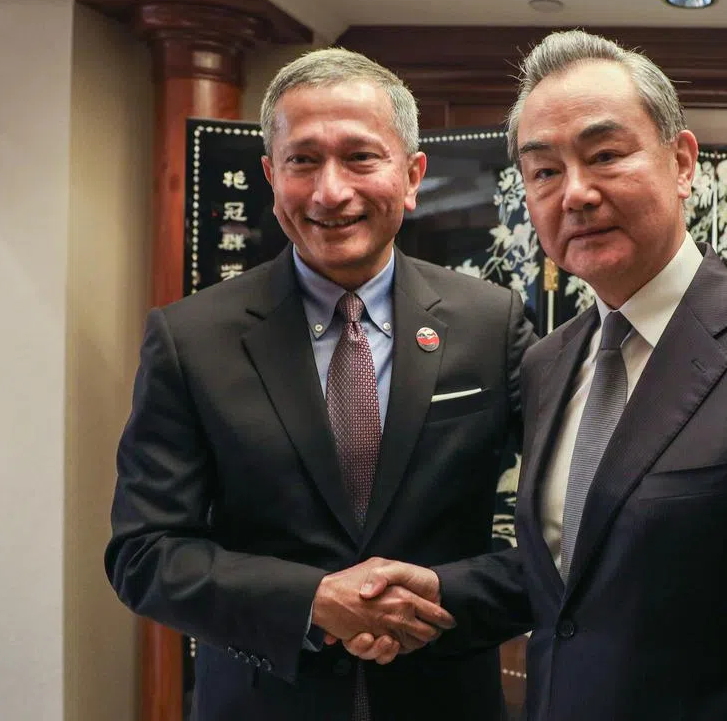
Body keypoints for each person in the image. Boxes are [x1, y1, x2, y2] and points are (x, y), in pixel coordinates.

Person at [360, 30, 727, 720]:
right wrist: (430, 591)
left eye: (605, 155)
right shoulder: (550, 361)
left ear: (681, 162)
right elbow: (575, 573)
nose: (575, 193)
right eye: (544, 172)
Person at [105, 47, 534, 721]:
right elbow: (144, 554)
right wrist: (310, 601)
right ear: (272, 176)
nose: (330, 191)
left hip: (446, 698)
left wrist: (439, 597)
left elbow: (566, 530)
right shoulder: (191, 340)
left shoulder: (490, 324)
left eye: (361, 157)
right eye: (303, 161)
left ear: (413, 174)